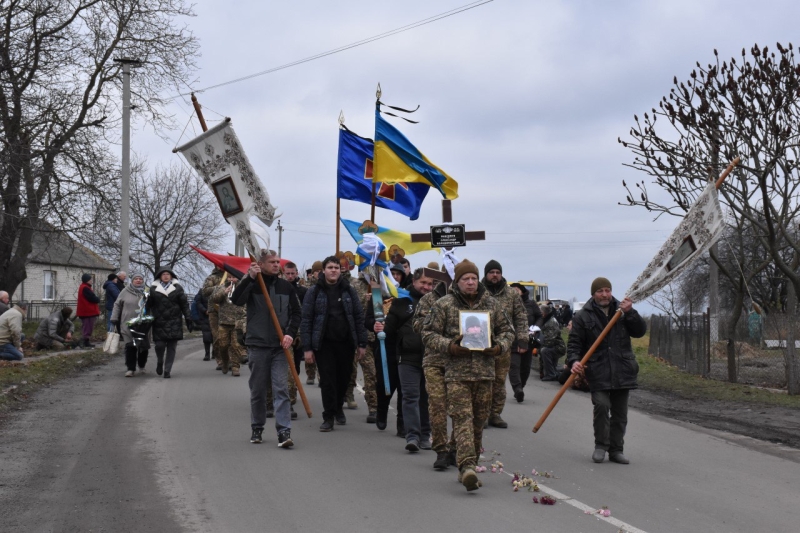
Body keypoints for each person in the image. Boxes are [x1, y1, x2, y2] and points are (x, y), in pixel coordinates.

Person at [422, 260, 514, 491]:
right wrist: (450, 346)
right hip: (457, 373)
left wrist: (498, 347)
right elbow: (427, 333)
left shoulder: (491, 304)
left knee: (478, 422)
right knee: (462, 418)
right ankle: (467, 467)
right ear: (458, 281)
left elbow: (507, 331)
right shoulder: (444, 305)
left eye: (474, 278)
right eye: (466, 279)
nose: (471, 282)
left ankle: (467, 460)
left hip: (484, 372)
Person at [568, 277, 647, 465]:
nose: (605, 294)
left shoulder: (622, 311)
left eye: (607, 290)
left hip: (622, 368)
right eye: (600, 291)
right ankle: (600, 446)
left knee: (620, 413)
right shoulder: (583, 316)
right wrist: (574, 361)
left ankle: (616, 450)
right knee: (602, 407)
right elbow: (574, 344)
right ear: (593, 294)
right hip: (598, 369)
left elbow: (639, 331)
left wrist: (631, 313)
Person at [231, 249, 301, 447]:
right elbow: (236, 300)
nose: (276, 265)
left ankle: (284, 431)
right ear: (260, 264)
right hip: (258, 345)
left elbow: (296, 313)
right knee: (258, 390)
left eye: (278, 261)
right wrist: (250, 278)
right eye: (272, 262)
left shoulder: (286, 287)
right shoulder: (253, 285)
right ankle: (257, 427)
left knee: (281, 389)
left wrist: (289, 334)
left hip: (280, 347)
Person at [301, 256, 367, 432]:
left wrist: (361, 343)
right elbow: (306, 320)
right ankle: (328, 416)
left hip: (346, 343)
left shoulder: (349, 291)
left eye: (336, 267)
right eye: (330, 267)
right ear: (323, 270)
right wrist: (307, 348)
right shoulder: (314, 291)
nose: (333, 270)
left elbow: (358, 317)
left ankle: (338, 407)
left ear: (340, 270)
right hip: (324, 344)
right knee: (328, 381)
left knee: (344, 379)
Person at [386, 268, 434, 452]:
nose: (426, 287)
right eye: (423, 283)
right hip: (407, 358)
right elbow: (389, 328)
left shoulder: (438, 303)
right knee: (410, 396)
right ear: (414, 282)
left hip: (431, 359)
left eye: (430, 284)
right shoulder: (402, 302)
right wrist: (380, 326)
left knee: (427, 398)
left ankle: (425, 435)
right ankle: (412, 436)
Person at [482, 260, 530, 429]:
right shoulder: (478, 291)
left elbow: (521, 317)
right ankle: (482, 414)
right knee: (483, 380)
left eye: (497, 272)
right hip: (481, 344)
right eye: (491, 272)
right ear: (486, 274)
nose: (495, 275)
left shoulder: (511, 294)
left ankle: (495, 414)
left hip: (504, 344)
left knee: (499, 380)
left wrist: (523, 339)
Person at [414, 278, 455, 470]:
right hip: (435, 361)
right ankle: (441, 450)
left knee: (461, 409)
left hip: (462, 363)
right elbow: (418, 325)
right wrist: (440, 326)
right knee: (438, 406)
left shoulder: (472, 302)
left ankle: (456, 448)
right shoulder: (430, 299)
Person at [345, 271, 379, 422]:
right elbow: (350, 309)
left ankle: (374, 407)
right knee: (351, 370)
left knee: (372, 373)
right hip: (359, 336)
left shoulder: (382, 284)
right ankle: (348, 392)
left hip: (378, 336)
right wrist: (364, 301)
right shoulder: (354, 285)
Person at [146, 268, 193, 379]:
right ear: (159, 276)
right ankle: (160, 361)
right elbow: (148, 306)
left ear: (171, 276)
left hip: (174, 321)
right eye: (163, 274)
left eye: (168, 274)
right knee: (159, 346)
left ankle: (167, 370)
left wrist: (188, 318)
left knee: (172, 347)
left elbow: (184, 305)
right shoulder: (153, 289)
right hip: (159, 321)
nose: (166, 276)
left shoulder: (178, 288)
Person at [111, 273, 150, 376]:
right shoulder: (125, 291)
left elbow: (154, 305)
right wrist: (114, 317)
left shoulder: (147, 291)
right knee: (130, 345)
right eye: (136, 279)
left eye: (140, 279)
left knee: (143, 346)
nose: (138, 280)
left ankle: (141, 366)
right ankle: (130, 369)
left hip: (143, 324)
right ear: (132, 281)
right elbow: (117, 305)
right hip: (127, 322)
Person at [210, 275, 246, 377]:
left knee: (236, 345)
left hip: (236, 322)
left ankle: (235, 367)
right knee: (222, 345)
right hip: (223, 322)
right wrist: (224, 292)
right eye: (229, 277)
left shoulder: (242, 287)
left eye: (234, 277)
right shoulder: (221, 287)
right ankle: (225, 362)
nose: (231, 279)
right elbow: (214, 299)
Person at [508, 282, 538, 402]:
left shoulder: (531, 304)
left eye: (517, 289)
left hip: (528, 338)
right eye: (512, 290)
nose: (515, 292)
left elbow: (540, 316)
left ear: (522, 291)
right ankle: (517, 389)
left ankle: (521, 386)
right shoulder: (507, 304)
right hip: (512, 339)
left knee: (525, 367)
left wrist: (536, 328)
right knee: (514, 365)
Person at [302, 260, 323, 384]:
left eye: (321, 271)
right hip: (310, 322)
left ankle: (321, 376)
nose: (318, 273)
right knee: (309, 351)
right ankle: (310, 374)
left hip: (321, 324)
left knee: (321, 353)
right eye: (316, 271)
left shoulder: (325, 286)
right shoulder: (307, 287)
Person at [540, 302, 566, 381]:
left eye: (540, 312)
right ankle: (553, 372)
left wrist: (539, 345)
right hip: (554, 346)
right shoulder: (546, 320)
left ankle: (551, 374)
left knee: (544, 351)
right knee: (543, 350)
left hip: (558, 347)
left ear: (544, 313)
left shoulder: (551, 322)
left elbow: (550, 340)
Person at [76, 273, 100, 347]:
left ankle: (85, 342)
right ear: (87, 280)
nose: (91, 281)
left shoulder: (83, 287)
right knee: (88, 328)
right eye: (90, 279)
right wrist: (97, 299)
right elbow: (92, 298)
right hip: (88, 311)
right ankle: (84, 342)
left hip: (86, 311)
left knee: (87, 327)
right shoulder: (85, 288)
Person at [193, 285, 213, 361]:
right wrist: (204, 310)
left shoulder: (218, 290)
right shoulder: (202, 291)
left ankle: (215, 353)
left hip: (216, 316)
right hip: (205, 317)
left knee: (215, 335)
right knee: (206, 336)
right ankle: (207, 353)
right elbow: (198, 302)